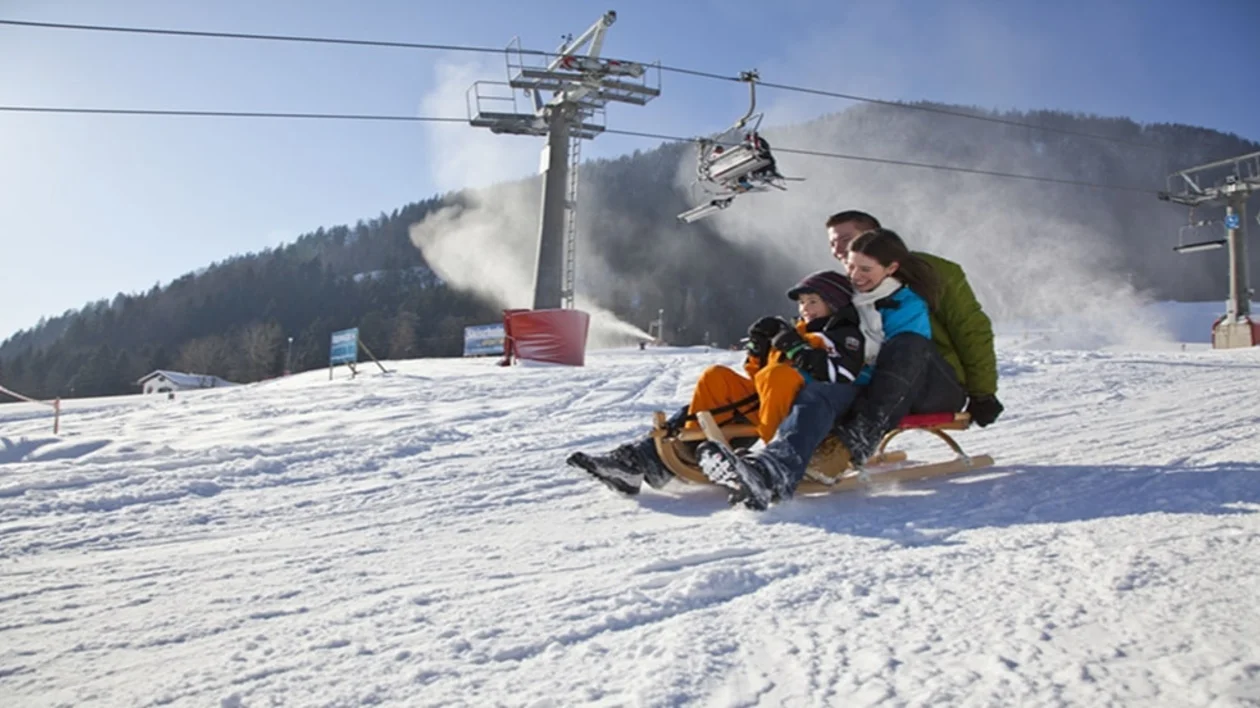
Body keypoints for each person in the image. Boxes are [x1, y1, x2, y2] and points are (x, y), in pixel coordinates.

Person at [696, 228, 944, 509]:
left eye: (865, 269)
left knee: (817, 396)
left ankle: (773, 473)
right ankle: (686, 451)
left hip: (887, 392)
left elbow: (902, 370)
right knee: (751, 386)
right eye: (851, 266)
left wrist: (859, 435)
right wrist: (780, 337)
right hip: (847, 379)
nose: (855, 275)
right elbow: (822, 333)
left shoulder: (905, 307)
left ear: (891, 268)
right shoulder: (855, 297)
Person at [566, 271, 866, 496]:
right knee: (716, 377)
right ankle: (655, 458)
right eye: (802, 303)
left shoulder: (843, 335)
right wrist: (759, 349)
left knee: (776, 377)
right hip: (769, 401)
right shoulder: (796, 331)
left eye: (813, 302)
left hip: (803, 410)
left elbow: (839, 376)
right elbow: (759, 377)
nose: (805, 308)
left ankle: (762, 462)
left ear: (834, 304)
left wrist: (797, 349)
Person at [825, 210, 1002, 427]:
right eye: (832, 243)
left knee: (908, 343)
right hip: (872, 382)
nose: (838, 250)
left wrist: (983, 393)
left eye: (846, 239)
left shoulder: (934, 273)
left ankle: (862, 433)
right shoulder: (845, 286)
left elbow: (970, 330)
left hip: (931, 382)